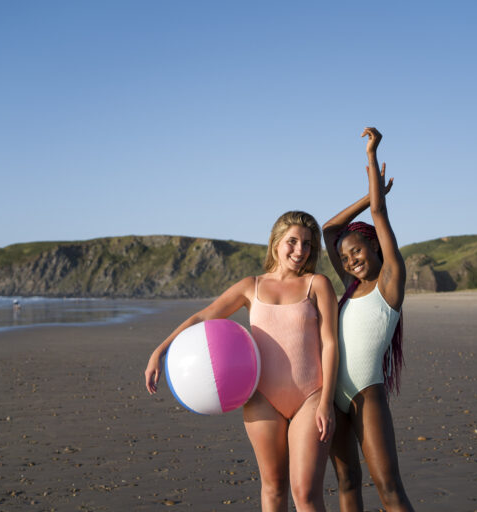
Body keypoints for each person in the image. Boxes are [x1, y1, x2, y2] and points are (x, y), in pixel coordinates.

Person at [145, 211, 339, 511]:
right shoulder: (252, 286)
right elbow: (204, 317)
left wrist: (326, 402)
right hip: (262, 399)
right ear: (276, 242)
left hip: (310, 397)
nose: (300, 250)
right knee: (273, 487)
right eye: (292, 241)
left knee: (306, 494)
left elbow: (330, 343)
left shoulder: (317, 285)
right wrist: (160, 350)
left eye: (307, 244)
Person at [322, 128, 414, 511]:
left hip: (365, 394)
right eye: (345, 259)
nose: (350, 261)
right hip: (333, 396)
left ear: (373, 244)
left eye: (356, 252)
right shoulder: (350, 285)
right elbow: (329, 230)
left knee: (388, 488)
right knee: (347, 483)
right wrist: (365, 196)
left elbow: (378, 214)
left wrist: (372, 156)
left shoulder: (389, 282)